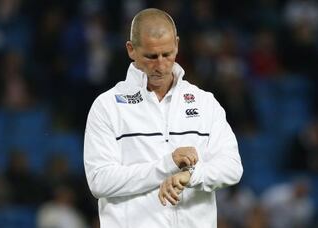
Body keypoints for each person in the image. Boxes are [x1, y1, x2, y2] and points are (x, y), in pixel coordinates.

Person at [84, 8, 243, 228]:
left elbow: (232, 167)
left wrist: (191, 176)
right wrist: (166, 165)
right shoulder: (108, 106)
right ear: (131, 50)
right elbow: (99, 181)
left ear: (177, 45)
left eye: (167, 54)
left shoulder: (204, 102)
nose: (160, 65)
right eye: (151, 56)